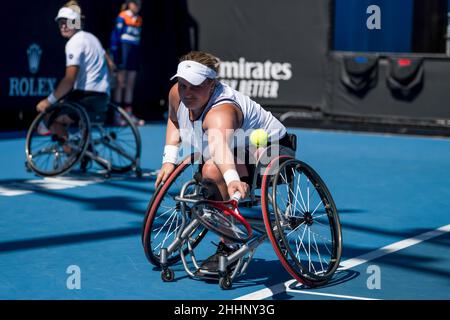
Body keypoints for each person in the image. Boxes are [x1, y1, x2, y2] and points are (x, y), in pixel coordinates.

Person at [155, 51, 291, 272]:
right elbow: (174, 121)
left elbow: (219, 147)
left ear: (211, 84)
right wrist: (169, 160)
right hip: (230, 147)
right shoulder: (176, 94)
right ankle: (217, 199)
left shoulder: (221, 111)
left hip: (269, 150)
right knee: (210, 172)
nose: (187, 93)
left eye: (195, 86)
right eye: (183, 85)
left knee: (211, 171)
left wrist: (231, 180)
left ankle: (229, 245)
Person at [36, 1, 113, 128]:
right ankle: (79, 142)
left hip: (86, 99)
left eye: (68, 22)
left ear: (76, 23)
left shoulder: (74, 43)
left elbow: (69, 81)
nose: (63, 26)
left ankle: (70, 146)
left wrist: (48, 101)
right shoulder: (93, 38)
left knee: (48, 115)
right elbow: (111, 66)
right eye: (61, 23)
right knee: (64, 102)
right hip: (104, 98)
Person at [110, 0, 145, 126]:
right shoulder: (122, 17)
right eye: (134, 3)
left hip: (133, 55)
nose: (137, 6)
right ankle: (117, 116)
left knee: (130, 84)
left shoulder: (139, 19)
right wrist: (116, 57)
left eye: (139, 3)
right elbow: (115, 39)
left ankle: (128, 114)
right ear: (129, 3)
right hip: (122, 54)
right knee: (121, 84)